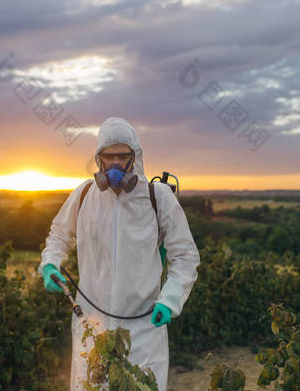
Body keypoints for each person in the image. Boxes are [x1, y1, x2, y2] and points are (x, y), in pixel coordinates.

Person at [38, 117, 200, 391]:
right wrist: (50, 264)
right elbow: (58, 235)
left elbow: (185, 257)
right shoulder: (84, 195)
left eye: (121, 157)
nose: (114, 165)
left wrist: (170, 300)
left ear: (134, 158)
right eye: (107, 157)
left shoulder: (157, 197)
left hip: (143, 328)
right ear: (98, 159)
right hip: (91, 324)